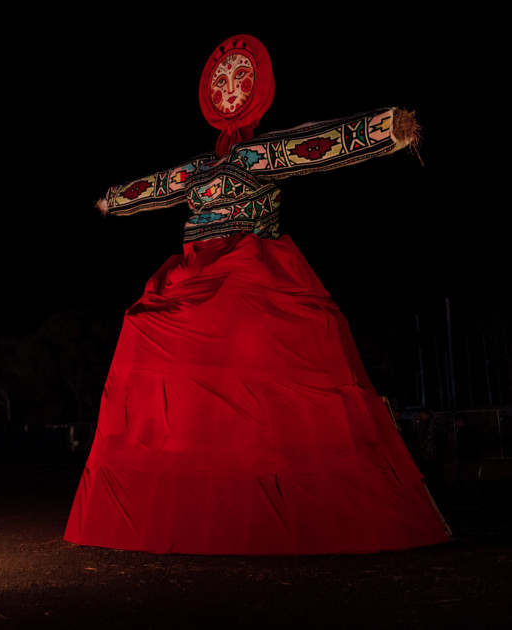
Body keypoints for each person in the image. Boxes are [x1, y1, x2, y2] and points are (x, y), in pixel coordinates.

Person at [64, 34, 450, 555]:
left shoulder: (256, 155)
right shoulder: (198, 169)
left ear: (256, 89)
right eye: (219, 82)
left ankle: (288, 502)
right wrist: (112, 199)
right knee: (147, 326)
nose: (228, 89)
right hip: (195, 270)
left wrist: (385, 129)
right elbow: (156, 186)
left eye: (239, 79)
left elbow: (314, 144)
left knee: (259, 351)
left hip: (247, 265)